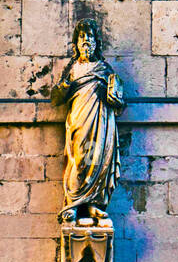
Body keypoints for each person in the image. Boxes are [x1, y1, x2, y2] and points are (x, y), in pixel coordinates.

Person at [51, 18, 125, 223]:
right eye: (82, 37)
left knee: (98, 158)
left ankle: (94, 204)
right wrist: (65, 85)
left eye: (90, 37)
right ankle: (73, 203)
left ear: (96, 43)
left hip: (101, 122)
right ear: (76, 43)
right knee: (79, 158)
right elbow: (55, 98)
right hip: (79, 119)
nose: (86, 41)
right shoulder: (73, 69)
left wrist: (115, 97)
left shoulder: (104, 69)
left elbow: (118, 100)